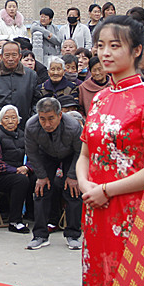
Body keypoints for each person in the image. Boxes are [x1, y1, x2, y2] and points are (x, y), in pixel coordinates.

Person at [76, 15, 144, 286]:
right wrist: (86, 186)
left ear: (137, 50)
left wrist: (106, 190)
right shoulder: (98, 98)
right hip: (95, 208)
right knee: (97, 282)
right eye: (100, 46)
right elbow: (84, 155)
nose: (106, 53)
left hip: (128, 212)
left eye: (116, 46)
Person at [25, 97, 84, 251]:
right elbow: (31, 152)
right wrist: (41, 176)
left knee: (72, 191)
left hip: (71, 155)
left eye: (51, 119)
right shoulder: (31, 126)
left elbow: (81, 152)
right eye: (42, 119)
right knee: (41, 191)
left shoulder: (73, 127)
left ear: (60, 115)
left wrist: (72, 176)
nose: (47, 124)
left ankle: (73, 234)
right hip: (46, 154)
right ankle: (40, 235)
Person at [0, 105, 31, 233]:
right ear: (0, 121)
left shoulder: (24, 135)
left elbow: (34, 155)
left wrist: (26, 168)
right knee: (20, 180)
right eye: (6, 118)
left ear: (18, 120)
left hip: (21, 171)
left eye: (13, 117)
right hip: (1, 175)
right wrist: (17, 170)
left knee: (42, 179)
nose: (10, 121)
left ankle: (47, 219)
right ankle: (15, 221)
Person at [0, 40, 39, 125]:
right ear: (1, 56)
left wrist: (31, 120)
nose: (10, 59)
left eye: (14, 55)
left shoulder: (31, 75)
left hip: (24, 125)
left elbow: (36, 101)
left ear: (20, 56)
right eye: (7, 55)